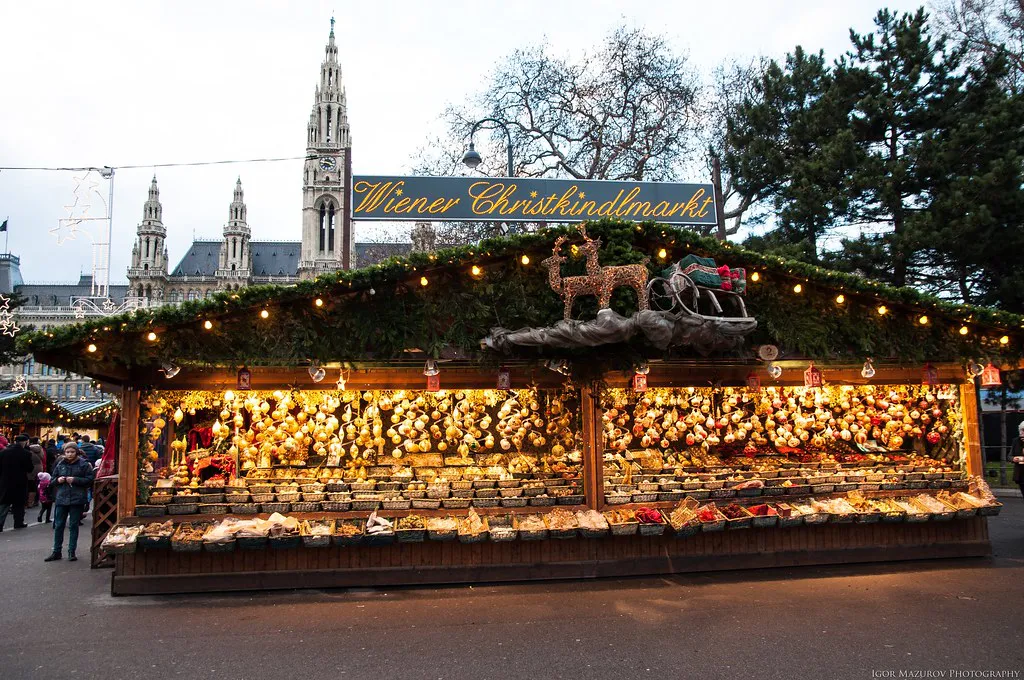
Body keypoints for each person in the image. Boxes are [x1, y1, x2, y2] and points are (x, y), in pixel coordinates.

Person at [45, 443, 94, 562]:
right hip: (62, 498)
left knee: (73, 525)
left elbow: (90, 480)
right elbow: (52, 480)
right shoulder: (60, 464)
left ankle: (71, 551)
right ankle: (56, 551)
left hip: (77, 499)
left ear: (76, 452)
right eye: (67, 452)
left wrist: (76, 480)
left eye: (72, 452)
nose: (69, 454)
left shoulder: (84, 464)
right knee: (59, 525)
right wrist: (58, 480)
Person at [0, 434, 33, 531]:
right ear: (25, 442)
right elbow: (30, 468)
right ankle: (18, 522)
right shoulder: (26, 453)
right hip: (20, 482)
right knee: (19, 504)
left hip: (5, 481)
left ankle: (0, 523)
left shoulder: (3, 452)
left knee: (4, 503)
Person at [26, 442, 44, 508]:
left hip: (31, 469)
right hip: (39, 468)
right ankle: (35, 501)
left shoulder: (29, 451)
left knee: (31, 485)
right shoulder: (40, 450)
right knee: (35, 485)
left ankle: (29, 502)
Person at [1010, 421, 1024, 500]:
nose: (1022, 433)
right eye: (1021, 430)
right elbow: (1009, 456)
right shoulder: (1016, 441)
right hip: (1020, 474)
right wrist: (1013, 459)